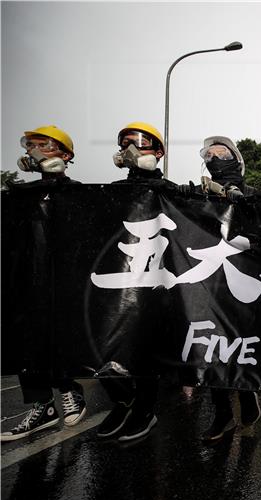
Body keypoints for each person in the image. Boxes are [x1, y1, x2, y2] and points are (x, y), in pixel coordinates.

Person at [0, 126, 88, 441]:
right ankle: (43, 407)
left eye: (44, 145)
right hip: (27, 281)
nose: (35, 151)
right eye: (31, 145)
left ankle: (69, 390)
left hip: (65, 283)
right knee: (26, 339)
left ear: (65, 155)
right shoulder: (19, 197)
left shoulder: (78, 193)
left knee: (59, 336)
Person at [95, 122, 172, 442]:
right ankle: (122, 402)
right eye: (125, 142)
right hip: (119, 284)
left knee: (145, 347)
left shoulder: (170, 193)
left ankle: (145, 409)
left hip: (154, 286)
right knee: (104, 343)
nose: (131, 148)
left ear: (158, 152)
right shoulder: (111, 193)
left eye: (139, 142)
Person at [196, 136, 261, 441]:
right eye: (209, 154)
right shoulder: (198, 196)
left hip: (243, 284)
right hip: (208, 285)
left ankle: (248, 401)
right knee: (209, 349)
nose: (214, 157)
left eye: (220, 152)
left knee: (239, 347)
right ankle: (222, 412)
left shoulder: (254, 195)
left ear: (236, 159)